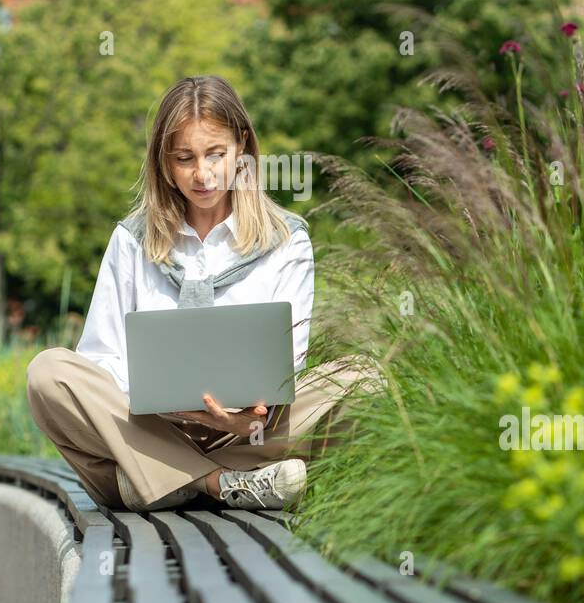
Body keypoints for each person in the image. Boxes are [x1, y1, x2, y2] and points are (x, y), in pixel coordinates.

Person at [25, 75, 382, 513]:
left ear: (243, 151)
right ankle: (221, 484)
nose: (203, 174)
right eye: (184, 158)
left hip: (248, 432)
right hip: (146, 429)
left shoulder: (287, 240)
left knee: (365, 380)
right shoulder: (132, 240)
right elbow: (100, 356)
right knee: (49, 373)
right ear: (163, 163)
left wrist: (245, 414)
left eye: (217, 154)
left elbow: (288, 363)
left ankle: (164, 482)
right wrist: (164, 404)